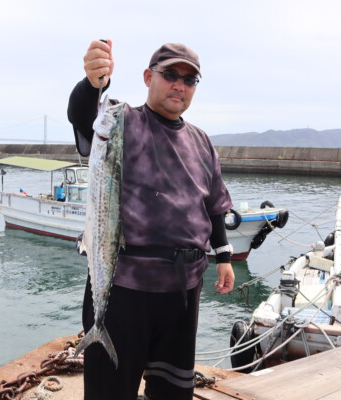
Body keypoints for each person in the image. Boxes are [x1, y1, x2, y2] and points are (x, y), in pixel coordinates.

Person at [67, 40, 235, 400]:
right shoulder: (123, 122)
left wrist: (223, 256)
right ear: (148, 77)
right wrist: (92, 83)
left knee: (173, 391)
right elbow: (82, 115)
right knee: (109, 391)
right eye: (171, 75)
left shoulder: (201, 141)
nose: (180, 85)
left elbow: (215, 203)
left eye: (189, 80)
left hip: (182, 290)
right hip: (123, 287)